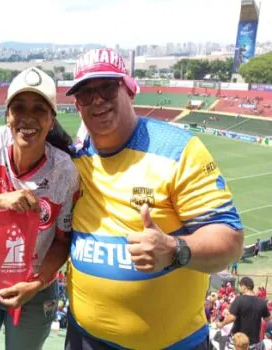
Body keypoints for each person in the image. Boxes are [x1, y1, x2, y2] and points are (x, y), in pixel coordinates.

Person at [64, 49, 244, 349]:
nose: (97, 100)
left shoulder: (179, 150)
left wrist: (175, 249)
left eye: (108, 87)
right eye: (85, 93)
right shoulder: (75, 155)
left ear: (129, 89)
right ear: (77, 105)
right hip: (83, 338)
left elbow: (231, 240)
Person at [0, 67, 79, 350]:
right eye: (19, 108)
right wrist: (2, 200)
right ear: (7, 116)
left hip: (36, 288)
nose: (28, 117)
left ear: (51, 120)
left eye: (39, 109)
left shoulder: (65, 172)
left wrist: (35, 284)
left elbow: (62, 241)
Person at [218, 277, 271, 348]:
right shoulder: (262, 302)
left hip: (238, 340)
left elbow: (232, 317)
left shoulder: (239, 300)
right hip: (254, 341)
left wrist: (222, 324)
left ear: (244, 287)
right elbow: (267, 319)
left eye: (240, 286)